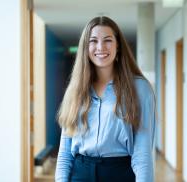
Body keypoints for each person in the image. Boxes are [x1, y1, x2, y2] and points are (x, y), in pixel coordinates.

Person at [55, 16, 156, 182]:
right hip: (80, 175)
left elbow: (142, 153)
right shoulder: (75, 90)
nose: (100, 47)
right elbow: (65, 152)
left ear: (118, 47)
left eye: (108, 40)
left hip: (120, 174)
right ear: (85, 48)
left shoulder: (140, 89)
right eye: (93, 40)